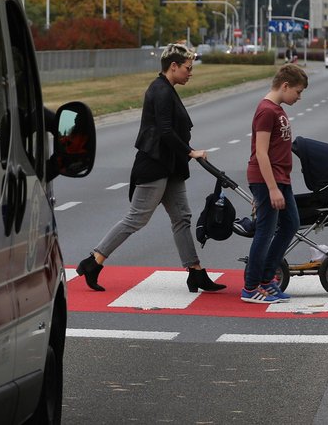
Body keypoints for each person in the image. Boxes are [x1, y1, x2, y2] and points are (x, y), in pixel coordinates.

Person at [76, 43, 225, 293]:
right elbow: (165, 131)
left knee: (182, 217)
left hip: (171, 167)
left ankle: (196, 272)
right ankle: (93, 261)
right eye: (188, 68)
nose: (191, 73)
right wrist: (190, 152)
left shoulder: (167, 88)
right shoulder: (161, 91)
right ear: (173, 66)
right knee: (137, 218)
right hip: (155, 166)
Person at [241, 63, 308, 303]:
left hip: (281, 178)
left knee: (291, 224)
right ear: (285, 86)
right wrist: (271, 189)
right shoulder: (266, 111)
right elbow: (261, 153)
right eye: (298, 92)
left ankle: (267, 280)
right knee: (265, 232)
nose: (299, 97)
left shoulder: (277, 109)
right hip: (267, 179)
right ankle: (250, 287)